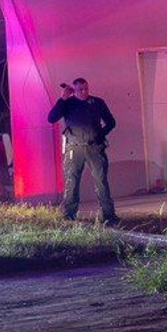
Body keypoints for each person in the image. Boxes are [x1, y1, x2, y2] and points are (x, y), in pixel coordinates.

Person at [46, 77, 117, 224]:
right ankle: (69, 215)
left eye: (86, 89)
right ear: (74, 91)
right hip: (74, 148)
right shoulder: (68, 103)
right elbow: (51, 118)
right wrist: (63, 99)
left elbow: (111, 122)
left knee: (101, 180)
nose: (84, 92)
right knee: (72, 180)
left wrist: (100, 136)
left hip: (94, 147)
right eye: (80, 90)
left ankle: (109, 215)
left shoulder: (97, 102)